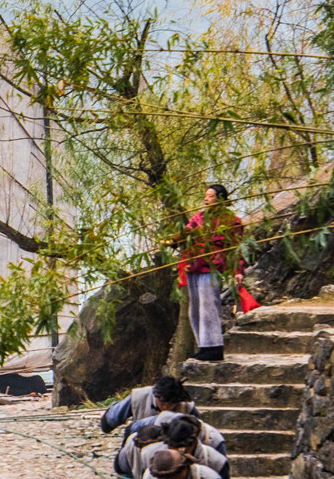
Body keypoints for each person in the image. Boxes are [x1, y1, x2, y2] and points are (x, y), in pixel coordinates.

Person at [178, 183, 244, 362]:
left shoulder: (231, 220)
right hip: (193, 264)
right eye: (206, 196)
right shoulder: (198, 218)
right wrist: (176, 239)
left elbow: (236, 247)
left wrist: (238, 270)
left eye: (211, 196)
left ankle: (214, 346)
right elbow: (186, 234)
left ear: (221, 199)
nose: (206, 199)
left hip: (212, 264)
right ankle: (203, 345)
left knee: (209, 305)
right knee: (195, 308)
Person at [101, 376, 196, 435]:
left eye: (170, 404)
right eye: (162, 404)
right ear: (155, 397)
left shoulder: (187, 407)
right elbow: (113, 417)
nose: (165, 408)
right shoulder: (140, 396)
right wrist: (106, 423)